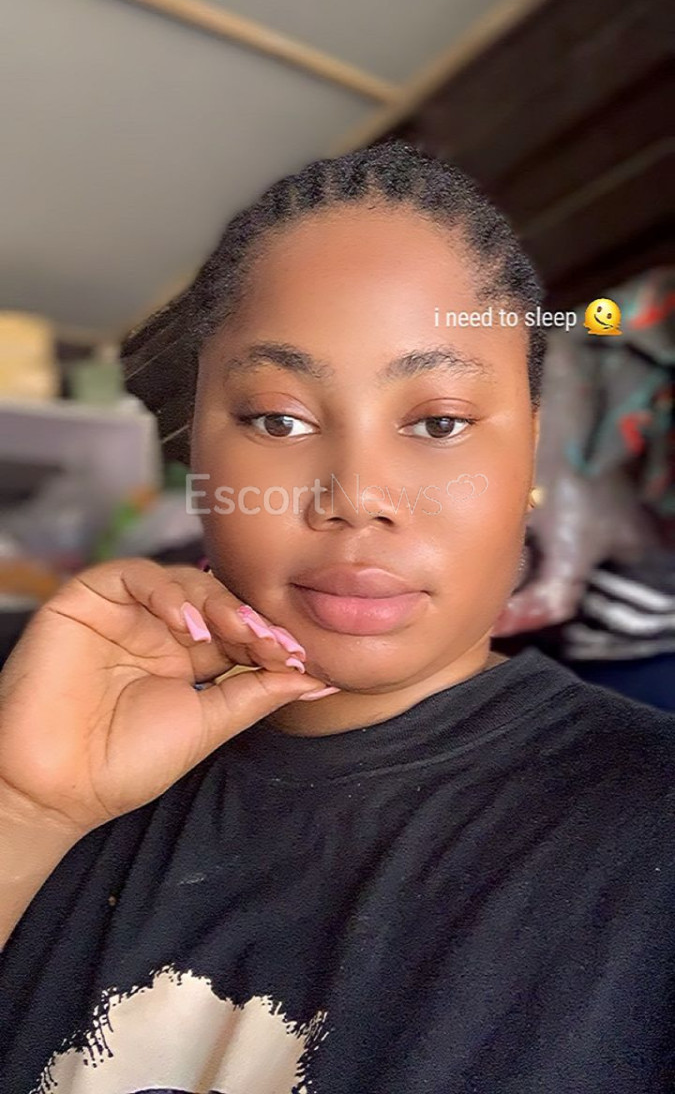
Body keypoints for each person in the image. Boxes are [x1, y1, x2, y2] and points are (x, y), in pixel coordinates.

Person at [0, 142, 673, 1094]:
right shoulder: (41, 716)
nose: (356, 497)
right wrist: (26, 813)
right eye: (278, 419)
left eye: (438, 422)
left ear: (528, 452)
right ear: (199, 453)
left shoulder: (647, 835)